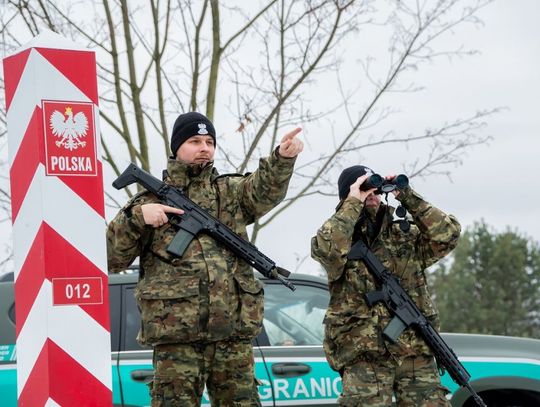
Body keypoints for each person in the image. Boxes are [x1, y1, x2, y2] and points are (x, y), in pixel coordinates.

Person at [107, 111, 303, 406]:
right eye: (195, 141)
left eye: (210, 141)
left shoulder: (230, 193)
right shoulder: (148, 202)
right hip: (177, 341)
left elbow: (263, 191)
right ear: (176, 148)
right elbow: (111, 259)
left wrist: (281, 159)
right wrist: (137, 218)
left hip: (232, 337)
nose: (204, 148)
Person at [311, 165, 461, 406]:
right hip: (365, 356)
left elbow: (448, 235)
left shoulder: (403, 233)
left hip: (415, 352)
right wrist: (352, 202)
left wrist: (408, 196)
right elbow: (326, 250)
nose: (371, 195)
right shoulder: (339, 236)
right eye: (364, 189)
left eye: (374, 190)